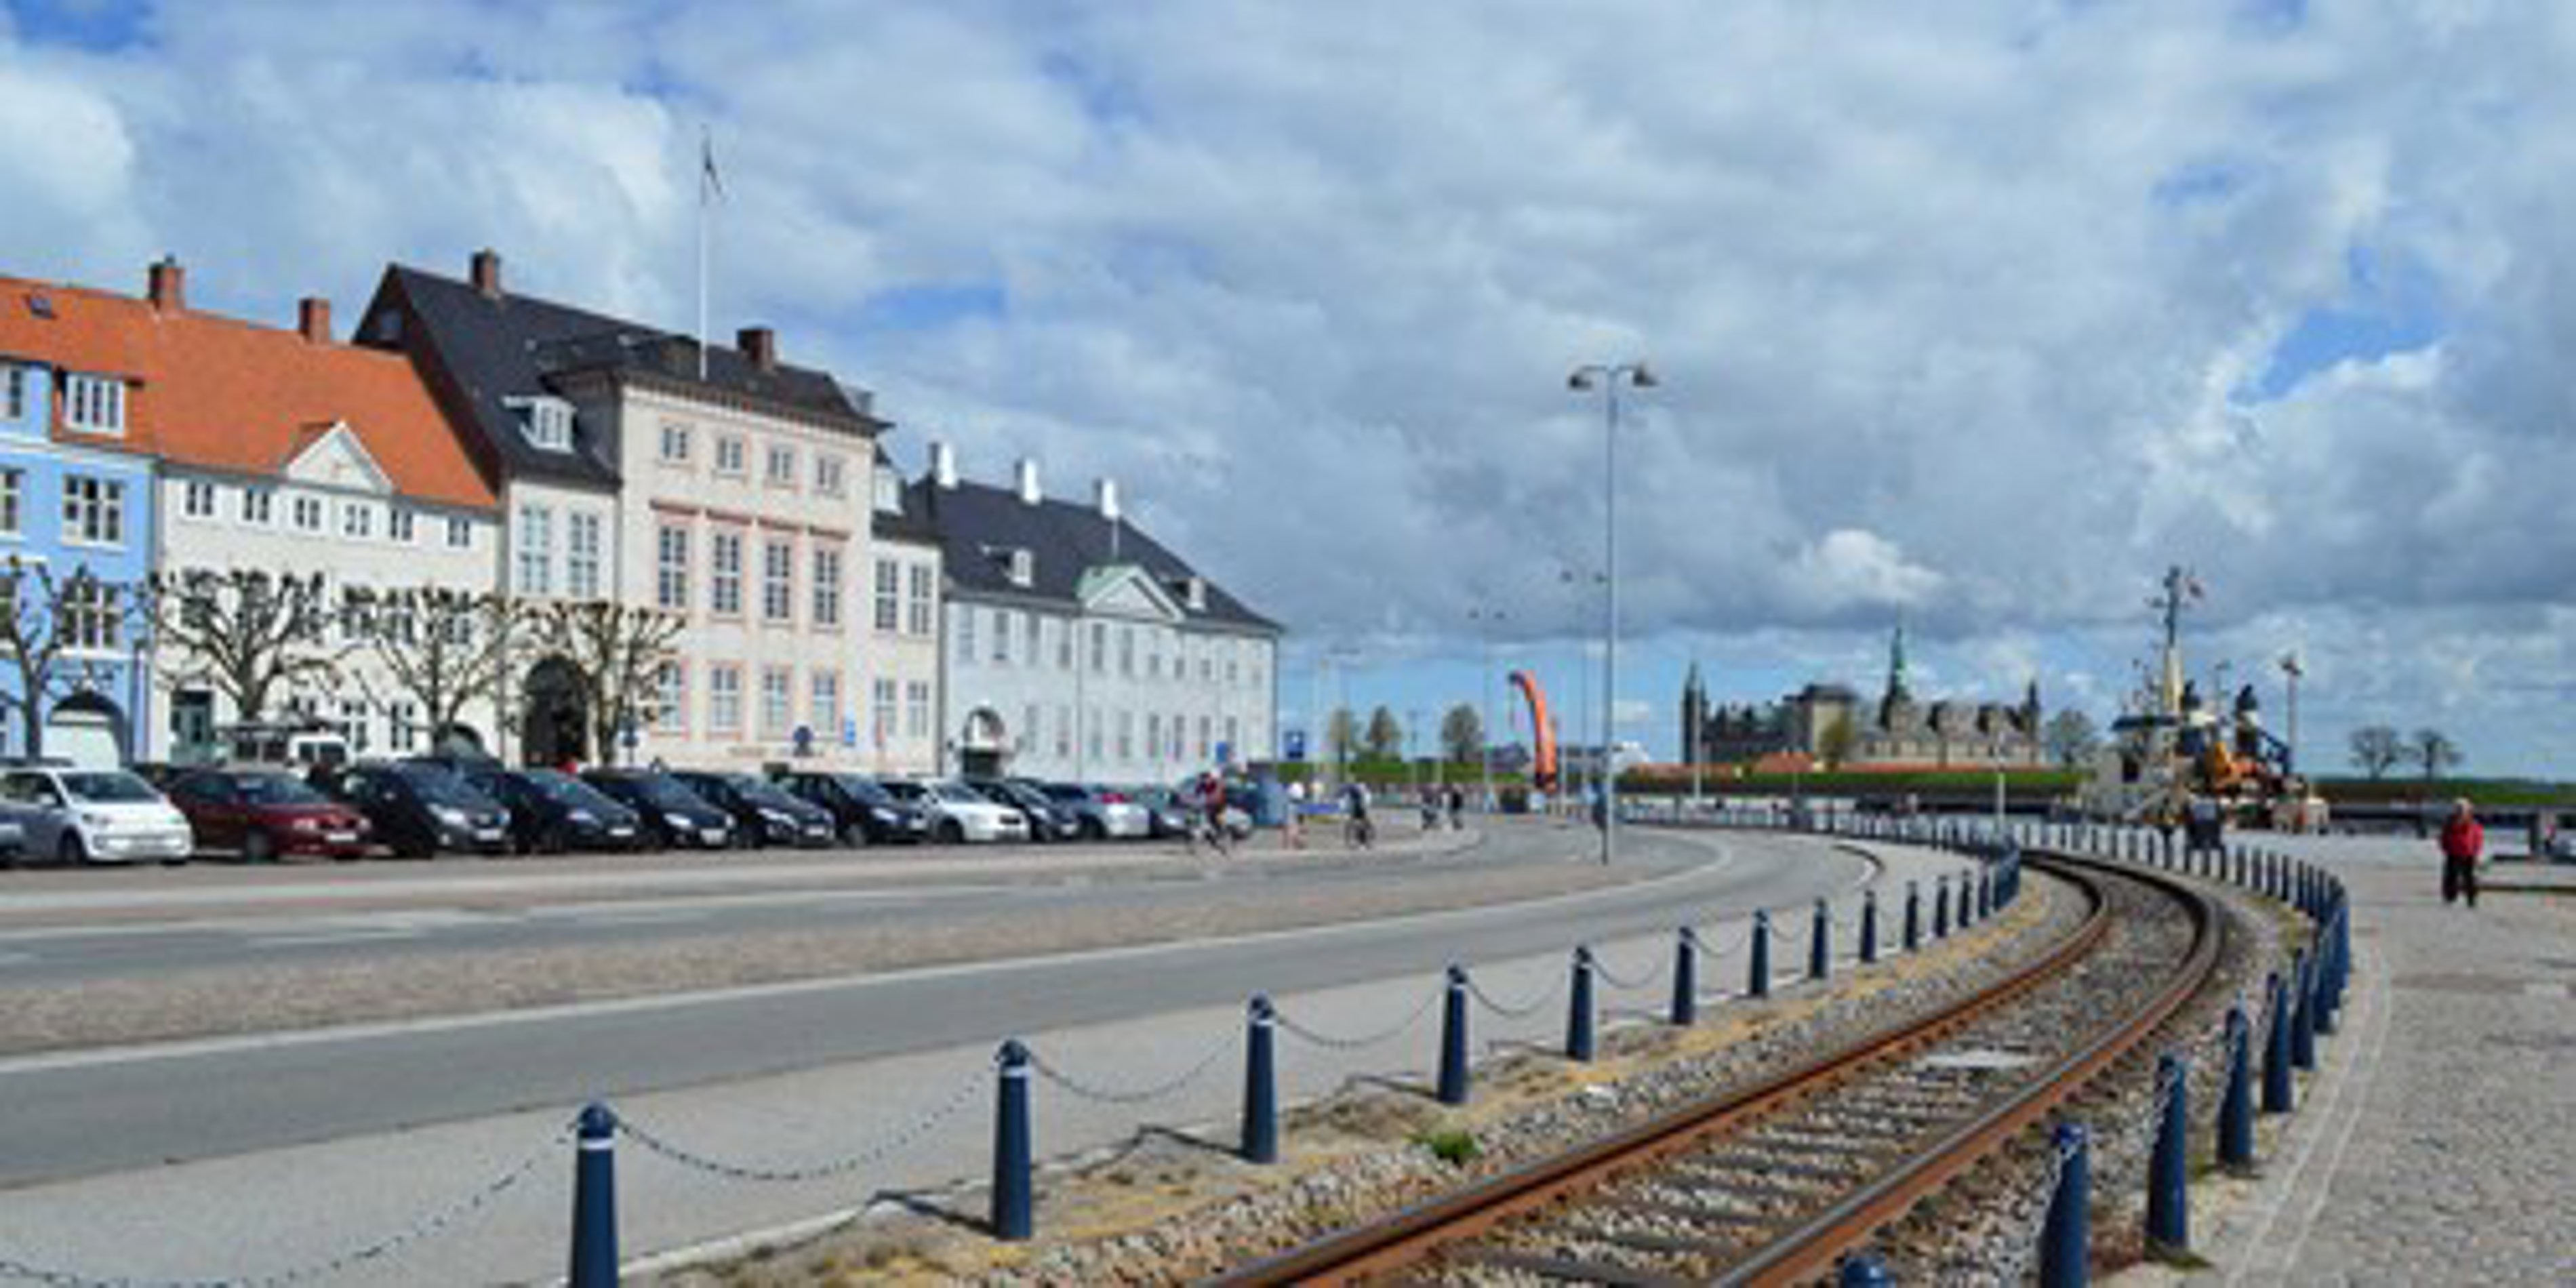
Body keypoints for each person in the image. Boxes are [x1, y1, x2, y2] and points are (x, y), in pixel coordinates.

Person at [2439, 798, 2483, 908]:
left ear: (2468, 810)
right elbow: (2443, 837)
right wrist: (2445, 848)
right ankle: (2450, 897)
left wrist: (2476, 851)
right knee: (2451, 876)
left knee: (2470, 877)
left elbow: (2478, 838)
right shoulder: (2449, 823)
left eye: (2462, 808)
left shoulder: (2473, 823)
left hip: (2469, 853)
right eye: (2458, 808)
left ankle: (2471, 898)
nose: (2460, 811)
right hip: (2453, 853)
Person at [1285, 780, 1308, 849]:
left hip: (1292, 804)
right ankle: (1299, 842)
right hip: (1300, 804)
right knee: (1301, 824)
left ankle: (1292, 844)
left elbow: (1288, 794)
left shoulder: (1292, 786)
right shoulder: (1300, 787)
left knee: (1291, 825)